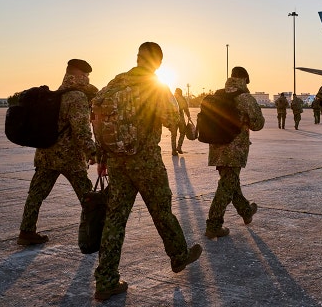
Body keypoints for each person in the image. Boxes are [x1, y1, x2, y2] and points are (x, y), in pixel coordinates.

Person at [93, 42, 201, 300]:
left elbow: (99, 121)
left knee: (115, 219)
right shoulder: (155, 86)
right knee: (161, 210)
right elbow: (172, 121)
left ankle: (106, 280)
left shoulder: (114, 84)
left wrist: (103, 157)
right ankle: (178, 255)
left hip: (118, 162)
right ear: (158, 63)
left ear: (138, 58)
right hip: (146, 162)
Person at [17, 59, 98, 246]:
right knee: (87, 197)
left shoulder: (55, 94)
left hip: (45, 154)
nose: (87, 79)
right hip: (69, 157)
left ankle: (26, 231)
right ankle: (96, 233)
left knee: (36, 194)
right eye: (85, 75)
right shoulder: (76, 97)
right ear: (79, 75)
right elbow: (81, 132)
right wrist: (93, 153)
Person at [205, 66, 265, 239]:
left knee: (230, 182)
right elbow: (257, 124)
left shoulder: (218, 95)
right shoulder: (244, 97)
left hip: (216, 147)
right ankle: (213, 224)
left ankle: (246, 210)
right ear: (245, 79)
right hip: (234, 149)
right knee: (226, 186)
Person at [170, 88, 191, 156]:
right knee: (183, 132)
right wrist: (188, 116)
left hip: (173, 118)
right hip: (180, 117)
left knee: (173, 135)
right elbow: (186, 109)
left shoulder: (172, 98)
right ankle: (179, 147)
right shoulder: (182, 99)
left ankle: (173, 150)